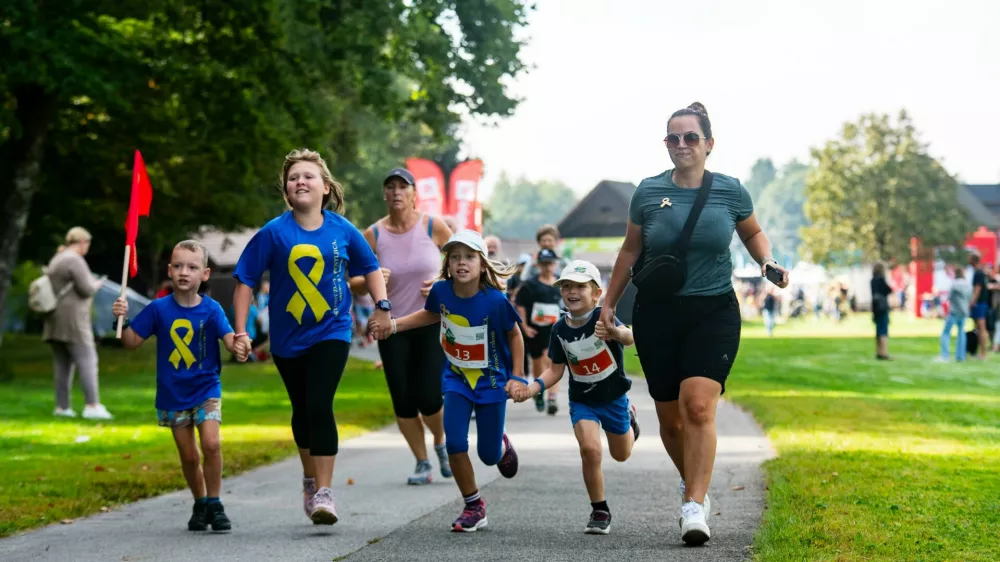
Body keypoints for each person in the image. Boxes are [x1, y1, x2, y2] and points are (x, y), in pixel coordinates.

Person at [598, 102, 789, 545]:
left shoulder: (730, 190)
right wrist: (609, 302)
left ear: (708, 144)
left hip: (713, 310)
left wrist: (767, 261)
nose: (681, 145)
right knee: (670, 420)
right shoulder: (647, 193)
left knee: (698, 405)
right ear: (666, 144)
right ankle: (693, 486)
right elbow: (629, 251)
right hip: (657, 313)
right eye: (673, 138)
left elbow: (752, 232)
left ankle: (693, 506)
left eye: (690, 137)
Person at [231, 148, 390, 525]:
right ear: (286, 191)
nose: (299, 182)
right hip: (288, 339)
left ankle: (324, 492)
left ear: (325, 187)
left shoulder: (342, 229)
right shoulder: (273, 232)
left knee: (319, 404)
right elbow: (245, 282)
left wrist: (382, 307)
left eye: (308, 176)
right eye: (292, 178)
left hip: (332, 330)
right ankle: (308, 478)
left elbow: (370, 268)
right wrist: (241, 331)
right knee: (302, 412)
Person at [370, 230, 525, 533]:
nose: (461, 263)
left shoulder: (495, 300)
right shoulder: (441, 291)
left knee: (488, 454)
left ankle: (501, 445)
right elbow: (430, 316)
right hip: (456, 380)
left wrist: (517, 377)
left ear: (482, 264)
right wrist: (394, 324)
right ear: (448, 264)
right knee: (454, 442)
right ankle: (473, 505)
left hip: (491, 383)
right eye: (455, 257)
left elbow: (514, 335)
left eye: (469, 257)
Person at [111, 240, 243, 531]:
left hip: (206, 389)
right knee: (189, 455)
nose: (185, 272)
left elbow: (229, 338)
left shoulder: (211, 309)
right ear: (169, 270)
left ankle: (215, 502)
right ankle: (199, 503)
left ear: (205, 274)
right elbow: (132, 341)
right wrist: (121, 319)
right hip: (173, 393)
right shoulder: (158, 309)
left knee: (211, 443)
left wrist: (239, 343)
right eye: (178, 266)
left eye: (192, 267)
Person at [510, 260, 640, 535]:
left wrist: (615, 332)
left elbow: (630, 338)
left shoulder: (603, 316)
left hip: (614, 397)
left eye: (580, 286)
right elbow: (554, 370)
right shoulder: (559, 329)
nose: (572, 291)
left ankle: (629, 419)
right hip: (583, 400)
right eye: (566, 286)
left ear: (596, 293)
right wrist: (531, 389)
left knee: (622, 454)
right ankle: (599, 509)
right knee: (590, 450)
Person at [350, 167, 454, 485]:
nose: (396, 192)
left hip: (429, 322)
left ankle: (440, 442)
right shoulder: (373, 234)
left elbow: (461, 262)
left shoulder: (434, 226)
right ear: (385, 194)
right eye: (390, 186)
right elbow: (353, 281)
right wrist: (369, 281)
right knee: (403, 399)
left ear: (413, 194)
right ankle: (422, 462)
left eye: (403, 187)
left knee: (429, 395)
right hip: (390, 325)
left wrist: (440, 280)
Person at [43, 227, 113, 420]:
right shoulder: (74, 260)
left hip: (54, 317)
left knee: (62, 364)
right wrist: (97, 284)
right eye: (87, 244)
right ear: (82, 242)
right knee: (88, 360)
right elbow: (87, 288)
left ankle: (62, 407)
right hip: (74, 320)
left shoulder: (57, 258)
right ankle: (92, 405)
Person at [515, 248, 563, 414]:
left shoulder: (561, 283)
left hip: (554, 330)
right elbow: (519, 304)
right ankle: (539, 392)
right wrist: (525, 327)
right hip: (535, 330)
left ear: (555, 264)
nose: (548, 267)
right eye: (544, 264)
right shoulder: (530, 285)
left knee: (551, 360)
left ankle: (552, 397)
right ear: (539, 265)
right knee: (538, 361)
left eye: (550, 263)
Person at [939, 266, 971, 362]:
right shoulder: (968, 285)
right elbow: (970, 297)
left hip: (954, 311)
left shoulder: (955, 284)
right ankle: (960, 356)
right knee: (961, 333)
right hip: (964, 311)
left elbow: (949, 297)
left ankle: (945, 355)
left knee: (946, 333)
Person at [968, 253, 990, 359]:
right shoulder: (980, 272)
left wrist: (972, 301)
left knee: (981, 328)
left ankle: (983, 354)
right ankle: (975, 351)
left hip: (979, 303)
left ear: (973, 260)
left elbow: (977, 289)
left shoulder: (978, 273)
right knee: (977, 328)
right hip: (980, 303)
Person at [871, 263, 892, 360]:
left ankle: (878, 351)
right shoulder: (881, 280)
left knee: (878, 330)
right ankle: (883, 352)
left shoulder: (872, 280)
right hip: (882, 307)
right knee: (883, 330)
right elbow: (888, 290)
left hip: (875, 307)